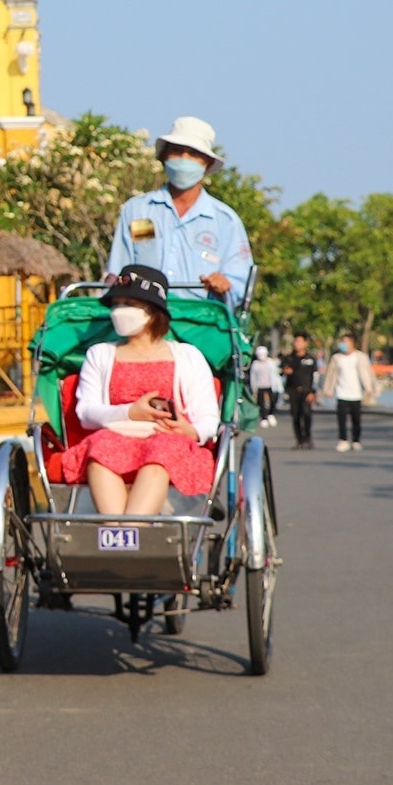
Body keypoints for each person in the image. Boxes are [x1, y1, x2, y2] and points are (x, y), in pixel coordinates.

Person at [59, 265, 220, 517]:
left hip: (169, 441)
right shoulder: (100, 354)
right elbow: (86, 412)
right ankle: (116, 533)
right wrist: (131, 412)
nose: (120, 311)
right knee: (100, 449)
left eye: (130, 304)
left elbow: (209, 417)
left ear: (153, 311)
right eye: (117, 304)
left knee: (161, 453)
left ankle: (131, 531)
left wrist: (190, 431)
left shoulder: (187, 356)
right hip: (113, 437)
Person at [106, 117, 253, 305]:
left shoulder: (226, 221)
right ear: (164, 157)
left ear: (207, 164)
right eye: (177, 151)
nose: (184, 159)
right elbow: (117, 270)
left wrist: (224, 284)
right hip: (143, 316)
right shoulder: (138, 210)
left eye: (193, 154)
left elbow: (240, 283)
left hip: (200, 320)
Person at [321, 332, 377, 451]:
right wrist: (328, 389)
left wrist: (369, 388)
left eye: (346, 342)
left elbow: (369, 374)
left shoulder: (361, 357)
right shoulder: (337, 358)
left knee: (356, 419)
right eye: (343, 342)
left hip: (356, 393)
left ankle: (356, 440)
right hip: (342, 393)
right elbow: (331, 375)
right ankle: (343, 440)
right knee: (341, 418)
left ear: (353, 343)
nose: (344, 344)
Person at [279, 333, 319, 449]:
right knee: (295, 416)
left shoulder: (310, 359)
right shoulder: (289, 358)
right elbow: (282, 371)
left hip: (306, 391)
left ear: (305, 343)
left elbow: (315, 376)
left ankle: (308, 438)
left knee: (306, 414)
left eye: (300, 341)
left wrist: (313, 392)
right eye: (296, 341)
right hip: (293, 390)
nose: (297, 344)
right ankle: (299, 440)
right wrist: (285, 371)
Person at [250, 344, 281, 428]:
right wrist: (253, 388)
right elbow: (253, 376)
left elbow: (275, 374)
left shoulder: (271, 362)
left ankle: (271, 414)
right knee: (261, 402)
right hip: (260, 385)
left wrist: (277, 385)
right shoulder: (255, 364)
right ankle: (264, 417)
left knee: (273, 400)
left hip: (271, 385)